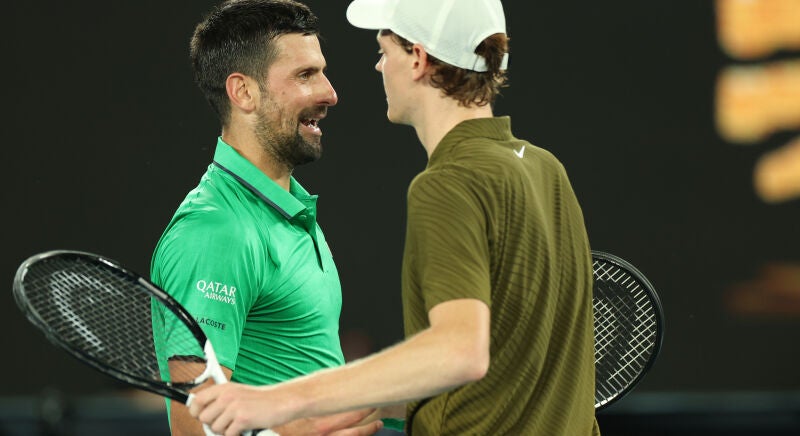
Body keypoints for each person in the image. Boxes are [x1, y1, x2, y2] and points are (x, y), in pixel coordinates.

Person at [186, 0, 600, 435]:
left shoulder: (448, 183)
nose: (379, 67)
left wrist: (280, 401)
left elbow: (461, 352)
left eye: (384, 51)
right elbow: (509, 364)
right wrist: (364, 407)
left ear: (418, 58)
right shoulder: (546, 170)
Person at [149, 1, 382, 435]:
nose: (330, 93)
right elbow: (193, 428)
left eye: (322, 72)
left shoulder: (288, 209)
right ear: (243, 92)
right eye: (305, 75)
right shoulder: (215, 232)